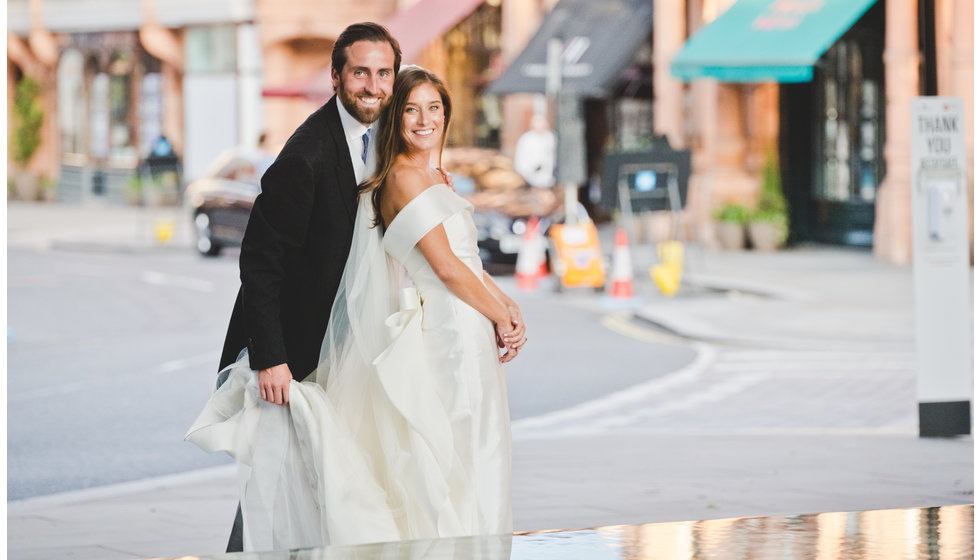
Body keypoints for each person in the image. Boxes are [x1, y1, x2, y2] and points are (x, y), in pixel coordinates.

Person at [187, 38, 526, 552]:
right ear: (336, 77)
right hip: (298, 344)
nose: (374, 85)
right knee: (285, 472)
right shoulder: (307, 153)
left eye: (383, 74)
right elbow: (260, 260)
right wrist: (270, 355)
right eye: (361, 73)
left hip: (355, 336)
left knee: (329, 475)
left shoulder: (383, 146)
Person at [513, 114, 556, 188]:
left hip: (551, 180)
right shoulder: (526, 139)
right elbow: (520, 161)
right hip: (531, 180)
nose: (540, 127)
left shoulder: (551, 138)